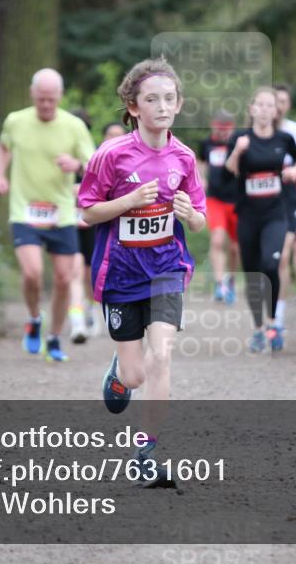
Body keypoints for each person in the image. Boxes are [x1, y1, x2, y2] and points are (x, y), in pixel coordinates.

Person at [78, 57, 206, 485]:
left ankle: (146, 451)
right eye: (152, 99)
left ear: (179, 104)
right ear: (134, 107)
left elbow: (201, 218)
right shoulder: (110, 156)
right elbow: (88, 212)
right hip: (120, 275)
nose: (162, 107)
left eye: (169, 99)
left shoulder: (184, 157)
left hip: (166, 268)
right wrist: (127, 203)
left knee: (162, 355)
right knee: (135, 374)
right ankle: (119, 369)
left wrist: (190, 216)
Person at [0, 69, 95, 362]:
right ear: (31, 95)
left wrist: (75, 164)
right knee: (32, 272)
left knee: (64, 279)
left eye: (51, 100)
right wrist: (0, 176)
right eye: (41, 100)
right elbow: (3, 148)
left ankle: (53, 338)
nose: (46, 106)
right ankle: (35, 318)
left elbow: (94, 167)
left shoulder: (74, 126)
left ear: (60, 97)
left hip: (61, 212)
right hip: (24, 209)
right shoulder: (16, 120)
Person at [225, 87, 296, 352]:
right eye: (261, 105)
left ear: (276, 111)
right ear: (252, 109)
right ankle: (258, 328)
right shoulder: (240, 138)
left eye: (271, 105)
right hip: (247, 214)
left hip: (275, 213)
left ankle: (273, 323)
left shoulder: (284, 138)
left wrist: (295, 169)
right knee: (253, 274)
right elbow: (226, 174)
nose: (266, 110)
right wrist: (237, 152)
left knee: (271, 263)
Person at [71, 121, 127, 343]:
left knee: (91, 274)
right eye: (109, 135)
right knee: (77, 271)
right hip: (74, 221)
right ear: (102, 138)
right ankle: (80, 318)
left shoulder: (128, 163)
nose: (113, 139)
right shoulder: (92, 160)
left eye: (118, 135)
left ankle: (94, 312)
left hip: (101, 226)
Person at [273, 84, 296, 326]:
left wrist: (295, 170)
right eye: (275, 101)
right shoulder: (253, 133)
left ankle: (278, 316)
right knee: (264, 260)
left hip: (288, 198)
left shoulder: (295, 131)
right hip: (261, 203)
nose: (278, 106)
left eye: (283, 101)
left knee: (282, 257)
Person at [197, 111, 240, 305]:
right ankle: (219, 283)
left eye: (226, 129)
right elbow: (200, 165)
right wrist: (202, 180)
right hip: (215, 200)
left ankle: (230, 280)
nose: (222, 133)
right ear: (213, 126)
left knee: (235, 248)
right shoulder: (206, 144)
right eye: (219, 128)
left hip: (237, 201)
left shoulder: (239, 144)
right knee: (217, 240)